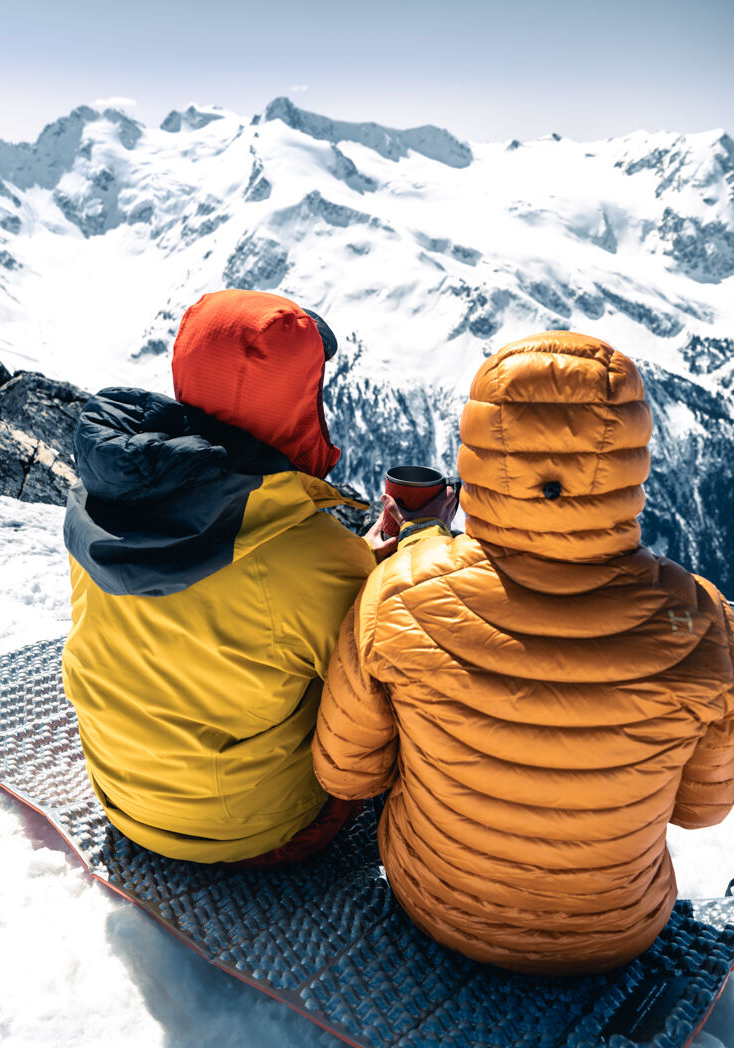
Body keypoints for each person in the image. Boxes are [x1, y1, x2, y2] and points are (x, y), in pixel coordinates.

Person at [313, 330, 734, 975]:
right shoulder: (701, 624)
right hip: (617, 932)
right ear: (630, 455)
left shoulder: (400, 592)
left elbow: (347, 773)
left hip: (434, 904)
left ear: (481, 451)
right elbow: (702, 809)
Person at [62, 290, 390, 865]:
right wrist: (398, 568)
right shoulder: (316, 557)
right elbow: (374, 699)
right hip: (249, 831)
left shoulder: (102, 501)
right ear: (296, 406)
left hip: (119, 795)